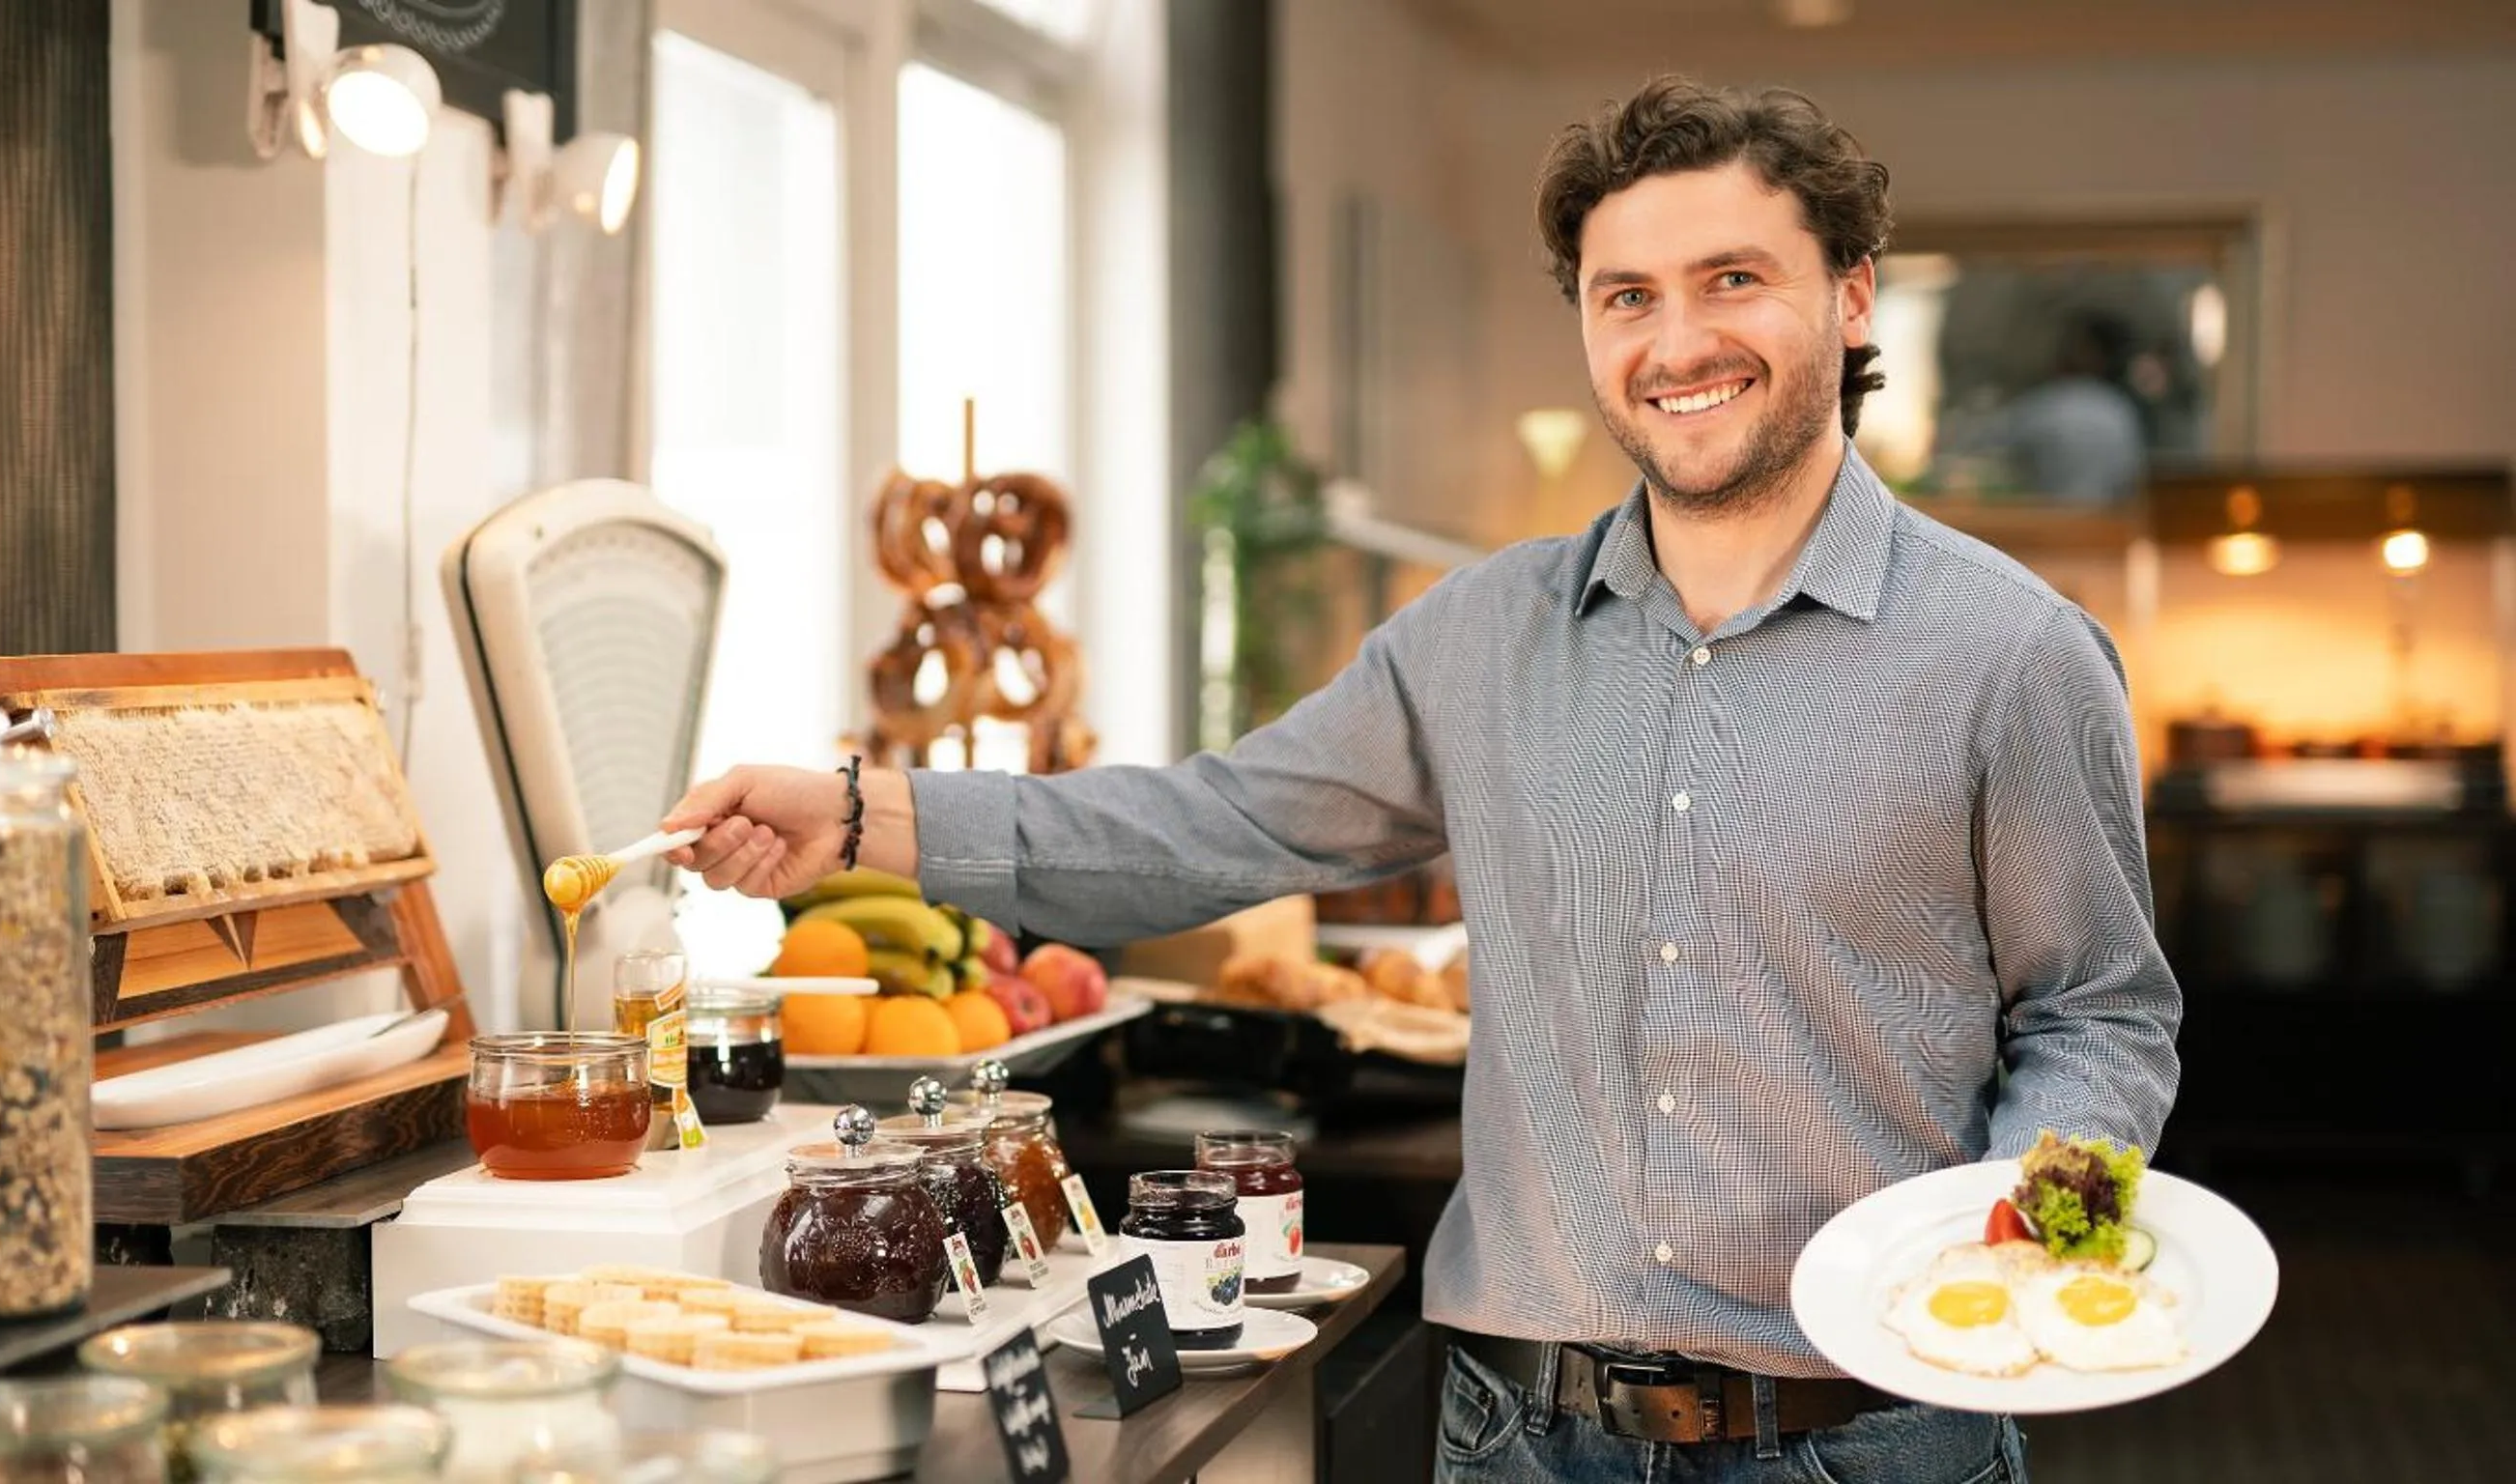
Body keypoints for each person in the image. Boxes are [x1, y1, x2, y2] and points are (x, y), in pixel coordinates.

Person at [660, 74, 2179, 1484]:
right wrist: (860, 815)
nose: (1676, 342)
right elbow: (1210, 825)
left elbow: (2098, 1013)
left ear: (1850, 296)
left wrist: (2017, 1246)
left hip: (1870, 1436)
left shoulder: (2012, 656)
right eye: (1627, 295)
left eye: (1733, 279)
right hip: (1522, 1433)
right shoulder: (1479, 638)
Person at [1949, 307, 2151, 503]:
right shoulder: (2122, 410)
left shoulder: (2050, 404)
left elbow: (1981, 445)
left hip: (2050, 516)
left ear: (2088, 352)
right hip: (2111, 519)